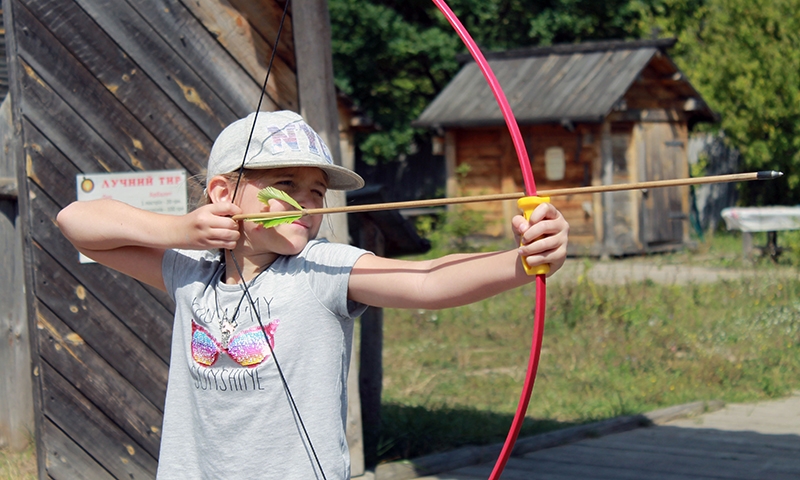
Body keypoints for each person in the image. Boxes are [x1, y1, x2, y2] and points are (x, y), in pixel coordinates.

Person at [57, 110, 569, 480]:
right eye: (286, 184)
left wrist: (523, 260)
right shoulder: (190, 269)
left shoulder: (322, 267)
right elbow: (76, 222)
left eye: (317, 192)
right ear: (221, 195)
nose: (306, 203)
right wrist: (180, 230)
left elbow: (430, 280)